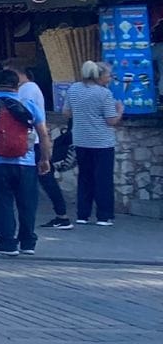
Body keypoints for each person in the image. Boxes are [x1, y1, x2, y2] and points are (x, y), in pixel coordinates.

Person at [0, 68, 50, 257]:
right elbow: (43, 133)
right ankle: (28, 242)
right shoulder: (29, 104)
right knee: (27, 203)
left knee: (2, 201)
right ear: (17, 85)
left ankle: (7, 242)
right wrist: (45, 158)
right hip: (26, 162)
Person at [62, 60, 123, 225]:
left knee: (85, 177)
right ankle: (104, 215)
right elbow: (111, 120)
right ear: (99, 75)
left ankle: (83, 214)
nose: (109, 78)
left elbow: (66, 112)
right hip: (102, 142)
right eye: (108, 75)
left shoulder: (74, 89)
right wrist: (119, 111)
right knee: (103, 178)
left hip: (81, 139)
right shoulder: (103, 94)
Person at [11, 69, 72, 229]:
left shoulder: (28, 89)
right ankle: (61, 215)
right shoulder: (28, 89)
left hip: (33, 142)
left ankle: (62, 215)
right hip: (32, 141)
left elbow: (24, 113)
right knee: (37, 179)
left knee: (44, 179)